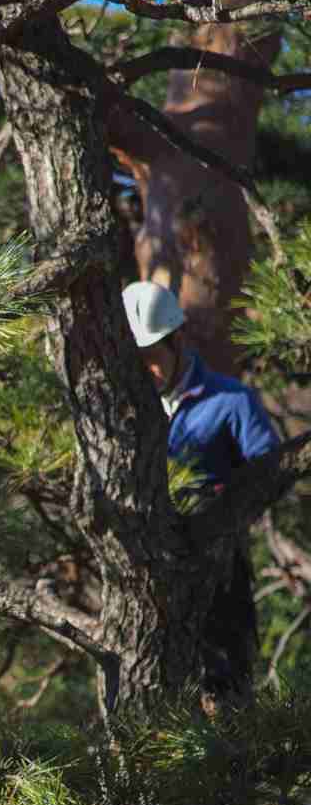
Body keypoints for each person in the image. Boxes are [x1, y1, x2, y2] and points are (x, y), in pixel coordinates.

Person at [123, 280, 280, 697]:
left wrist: (220, 507)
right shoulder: (125, 408)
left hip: (220, 574)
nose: (147, 371)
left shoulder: (232, 402)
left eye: (152, 358)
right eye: (136, 360)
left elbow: (271, 474)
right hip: (148, 581)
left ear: (176, 340)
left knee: (226, 693)